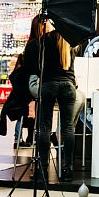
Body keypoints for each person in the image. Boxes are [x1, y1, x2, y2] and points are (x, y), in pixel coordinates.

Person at [24, 25, 77, 182]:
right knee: (68, 128)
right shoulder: (72, 40)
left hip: (48, 85)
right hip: (68, 85)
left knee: (44, 128)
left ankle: (43, 170)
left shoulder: (44, 40)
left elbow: (35, 65)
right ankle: (68, 170)